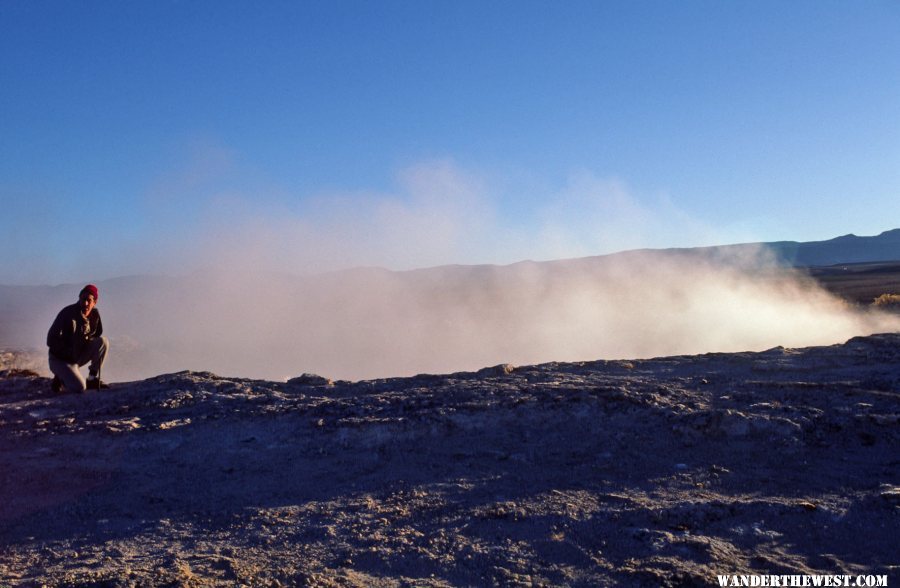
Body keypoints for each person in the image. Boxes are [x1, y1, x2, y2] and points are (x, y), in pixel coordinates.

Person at [47, 284, 109, 392]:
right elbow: (51, 339)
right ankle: (60, 377)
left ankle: (92, 378)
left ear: (95, 302)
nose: (85, 303)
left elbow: (97, 334)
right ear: (79, 299)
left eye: (89, 300)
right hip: (60, 359)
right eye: (83, 299)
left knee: (103, 342)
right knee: (79, 387)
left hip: (77, 355)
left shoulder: (95, 315)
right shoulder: (67, 313)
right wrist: (67, 352)